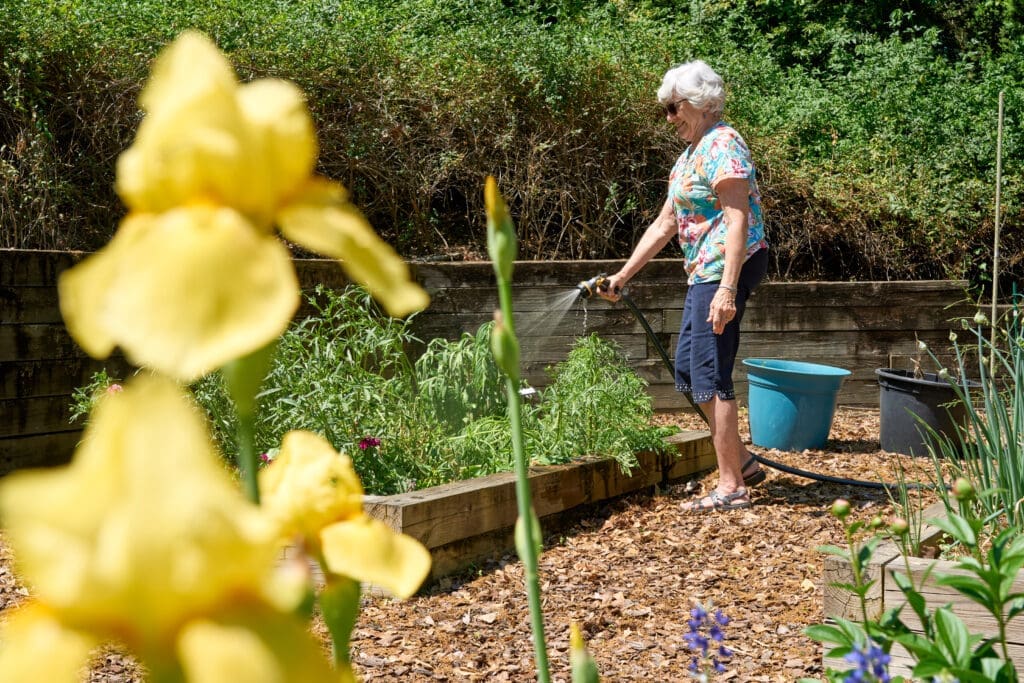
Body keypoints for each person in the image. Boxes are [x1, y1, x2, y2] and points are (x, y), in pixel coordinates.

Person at [600, 60, 769, 513]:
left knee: (710, 371)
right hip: (705, 272)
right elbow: (666, 222)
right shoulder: (691, 154)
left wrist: (727, 289)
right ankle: (743, 462)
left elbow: (737, 218)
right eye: (666, 110)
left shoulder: (724, 145)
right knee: (690, 372)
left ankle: (731, 485)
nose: (669, 118)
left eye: (673, 108)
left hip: (724, 269)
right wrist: (622, 275)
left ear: (699, 103)